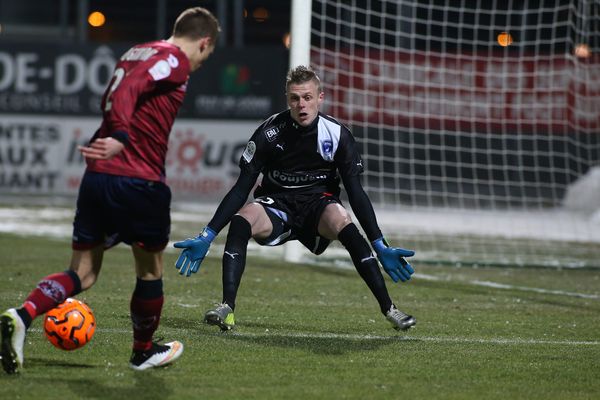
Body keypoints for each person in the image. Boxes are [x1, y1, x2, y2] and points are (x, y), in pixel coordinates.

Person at [0, 7, 220, 374]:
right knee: (150, 269)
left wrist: (108, 137)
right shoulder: (175, 60)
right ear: (204, 42)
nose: (201, 63)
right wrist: (120, 134)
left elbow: (116, 93)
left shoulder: (137, 51)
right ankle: (143, 350)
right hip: (140, 180)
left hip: (99, 177)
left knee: (83, 273)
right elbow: (132, 90)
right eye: (206, 56)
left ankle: (21, 316)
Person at [174, 65, 416, 333]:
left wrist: (379, 244)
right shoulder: (268, 133)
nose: (302, 105)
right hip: (277, 207)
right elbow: (241, 188)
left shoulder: (337, 135)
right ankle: (226, 308)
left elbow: (356, 193)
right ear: (287, 99)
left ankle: (390, 309)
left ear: (320, 98)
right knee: (242, 219)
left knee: (343, 221)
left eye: (308, 97)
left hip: (318, 209)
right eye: (295, 98)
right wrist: (208, 235)